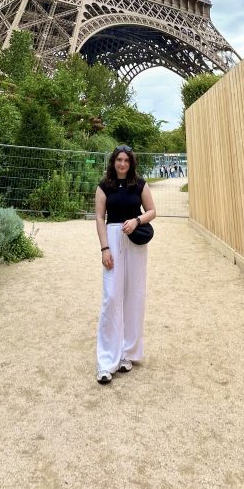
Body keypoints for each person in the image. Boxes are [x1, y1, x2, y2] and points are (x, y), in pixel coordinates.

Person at [95, 144, 157, 384]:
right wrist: (105, 248)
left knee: (134, 295)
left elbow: (152, 211)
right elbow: (99, 217)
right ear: (113, 162)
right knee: (111, 296)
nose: (122, 163)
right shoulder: (104, 186)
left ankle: (127, 352)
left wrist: (137, 220)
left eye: (126, 160)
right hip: (113, 239)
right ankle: (106, 360)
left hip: (135, 241)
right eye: (119, 160)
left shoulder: (139, 184)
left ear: (131, 163)